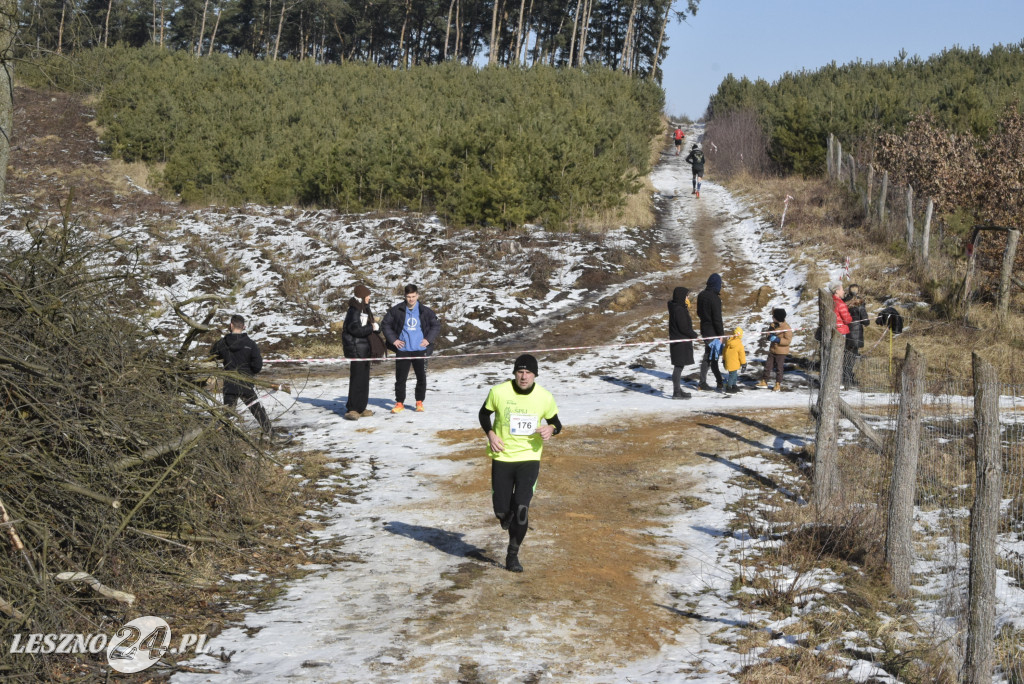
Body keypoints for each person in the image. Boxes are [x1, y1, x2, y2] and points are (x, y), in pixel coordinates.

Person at [479, 354, 562, 573]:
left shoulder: (544, 397)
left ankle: (512, 554)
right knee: (501, 511)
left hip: (529, 458)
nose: (524, 377)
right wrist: (490, 434)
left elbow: (556, 422)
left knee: (522, 508)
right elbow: (484, 414)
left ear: (535, 374)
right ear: (514, 373)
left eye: (528, 373)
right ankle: (506, 517)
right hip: (503, 457)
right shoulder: (498, 392)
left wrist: (550, 429)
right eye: (520, 372)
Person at [382, 284, 440, 413]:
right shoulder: (397, 310)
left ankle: (419, 402)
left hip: (420, 350)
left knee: (421, 377)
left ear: (417, 295)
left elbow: (435, 325)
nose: (411, 299)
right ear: (405, 296)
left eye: (413, 296)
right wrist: (394, 340)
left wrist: (428, 339)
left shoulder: (425, 311)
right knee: (400, 379)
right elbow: (385, 324)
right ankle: (399, 403)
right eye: (408, 297)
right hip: (403, 350)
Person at [210, 314, 271, 435]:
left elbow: (212, 355)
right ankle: (271, 435)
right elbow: (257, 366)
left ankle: (227, 443)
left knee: (228, 416)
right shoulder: (251, 344)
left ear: (231, 325)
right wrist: (250, 373)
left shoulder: (222, 343)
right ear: (243, 327)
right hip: (245, 383)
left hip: (229, 383)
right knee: (258, 411)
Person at [342, 284, 385, 421]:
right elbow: (355, 329)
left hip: (365, 349)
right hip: (356, 350)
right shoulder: (354, 310)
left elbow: (366, 327)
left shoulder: (364, 309)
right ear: (362, 296)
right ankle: (352, 409)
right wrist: (370, 327)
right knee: (357, 379)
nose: (369, 297)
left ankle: (361, 407)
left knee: (364, 380)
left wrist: (375, 327)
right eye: (367, 295)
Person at [667, 286, 697, 399]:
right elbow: (683, 327)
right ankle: (676, 392)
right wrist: (694, 335)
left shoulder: (678, 307)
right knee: (678, 367)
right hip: (680, 342)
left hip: (680, 341)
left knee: (679, 366)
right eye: (686, 296)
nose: (688, 298)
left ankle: (678, 390)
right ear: (681, 297)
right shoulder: (679, 309)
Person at [697, 273, 725, 391]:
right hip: (713, 332)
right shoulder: (715, 299)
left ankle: (719, 381)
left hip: (704, 330)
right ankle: (703, 383)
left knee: (711, 356)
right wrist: (721, 335)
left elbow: (699, 312)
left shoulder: (701, 295)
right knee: (710, 357)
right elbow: (717, 319)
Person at [757, 308, 793, 391]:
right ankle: (764, 381)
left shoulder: (786, 327)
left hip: (781, 351)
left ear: (778, 317)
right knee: (767, 366)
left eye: (774, 316)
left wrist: (778, 340)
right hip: (772, 350)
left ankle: (777, 384)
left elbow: (788, 341)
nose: (772, 317)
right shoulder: (772, 325)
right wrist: (769, 336)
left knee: (779, 368)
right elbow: (768, 333)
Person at [842, 285, 870, 388]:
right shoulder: (859, 303)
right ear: (857, 291)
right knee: (851, 357)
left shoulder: (843, 302)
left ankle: (845, 377)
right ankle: (848, 379)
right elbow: (865, 320)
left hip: (844, 332)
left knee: (846, 356)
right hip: (855, 333)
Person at [722, 327, 747, 394]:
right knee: (732, 375)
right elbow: (742, 355)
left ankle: (734, 385)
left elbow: (724, 351)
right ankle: (729, 387)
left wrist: (724, 359)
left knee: (734, 374)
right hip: (735, 362)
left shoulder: (729, 341)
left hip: (729, 361)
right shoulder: (739, 344)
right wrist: (744, 363)